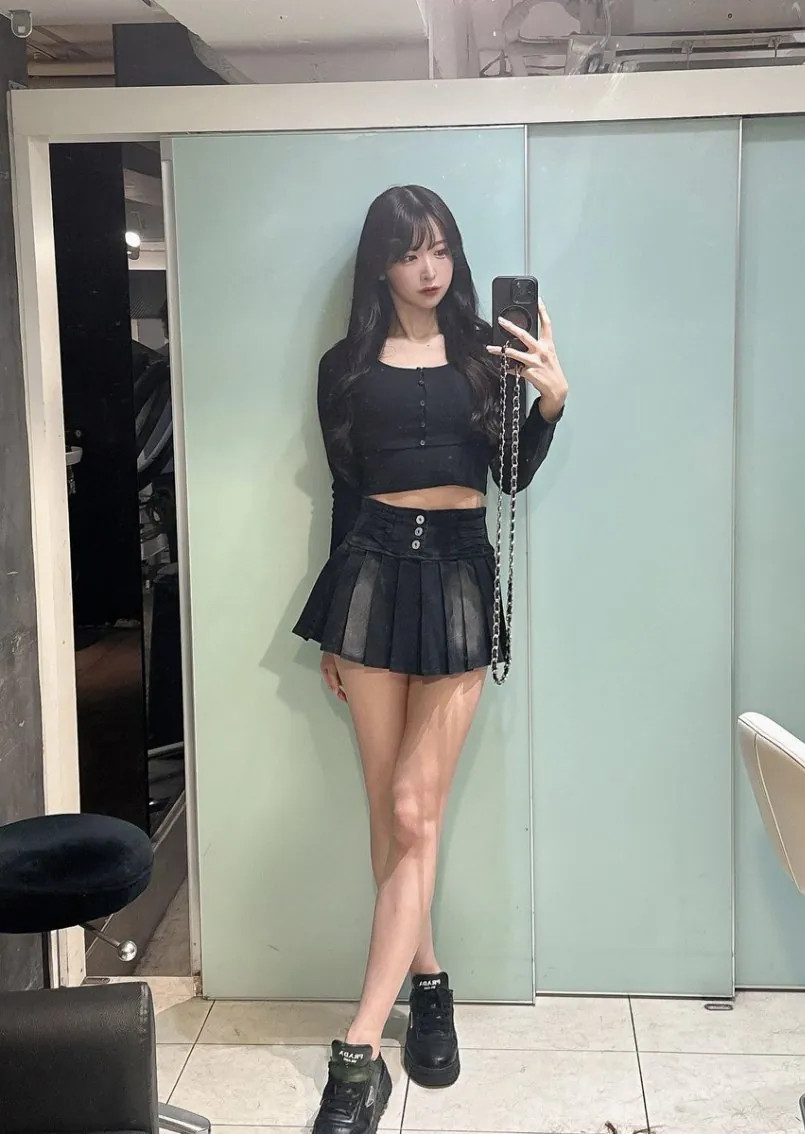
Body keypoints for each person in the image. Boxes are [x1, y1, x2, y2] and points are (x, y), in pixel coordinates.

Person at [293, 185, 569, 1134]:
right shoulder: (343, 366)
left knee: (415, 809)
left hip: (457, 575)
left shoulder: (488, 355)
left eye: (442, 248)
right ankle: (431, 980)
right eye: (411, 252)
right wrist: (334, 625)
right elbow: (343, 489)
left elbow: (508, 475)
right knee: (391, 812)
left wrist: (551, 399)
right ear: (382, 264)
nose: (430, 268)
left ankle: (359, 1050)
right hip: (370, 572)